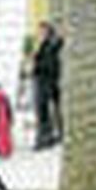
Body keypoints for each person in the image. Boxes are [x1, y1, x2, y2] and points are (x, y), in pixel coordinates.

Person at [30, 21, 63, 149]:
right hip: (42, 80)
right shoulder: (41, 45)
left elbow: (48, 63)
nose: (39, 34)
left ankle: (46, 137)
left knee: (45, 111)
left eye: (42, 31)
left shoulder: (51, 45)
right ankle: (45, 136)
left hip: (47, 81)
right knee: (42, 112)